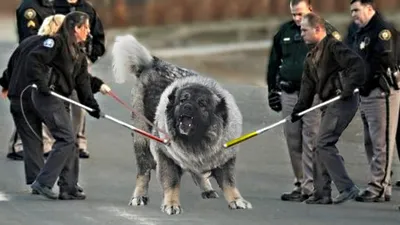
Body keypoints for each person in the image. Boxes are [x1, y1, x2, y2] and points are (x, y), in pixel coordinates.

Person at [5, 11, 102, 200]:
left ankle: (69, 187)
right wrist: (42, 85)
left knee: (70, 140)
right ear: (76, 28)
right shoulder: (54, 43)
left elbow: (83, 84)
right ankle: (43, 182)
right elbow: (35, 60)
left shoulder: (79, 53)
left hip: (61, 98)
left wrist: (92, 106)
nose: (89, 31)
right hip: (47, 96)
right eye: (86, 27)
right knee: (65, 138)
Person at [266, 0, 341, 202]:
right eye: (294, 15)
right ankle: (300, 184)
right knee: (293, 140)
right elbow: (274, 62)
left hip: (313, 94)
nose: (297, 19)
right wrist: (271, 89)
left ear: (310, 9)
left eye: (300, 14)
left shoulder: (322, 29)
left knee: (311, 140)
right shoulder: (284, 32)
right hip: (289, 93)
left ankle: (312, 186)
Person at [291, 12, 365, 204]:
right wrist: (298, 109)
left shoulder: (334, 47)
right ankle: (322, 193)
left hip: (343, 100)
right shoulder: (311, 56)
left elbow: (357, 65)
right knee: (317, 145)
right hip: (328, 104)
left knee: (324, 142)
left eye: (305, 30)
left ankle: (347, 187)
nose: (302, 34)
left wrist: (348, 87)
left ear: (318, 29)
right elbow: (307, 87)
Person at [346, 0, 400, 203]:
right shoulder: (358, 30)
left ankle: (379, 186)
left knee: (382, 142)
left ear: (370, 8)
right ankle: (379, 184)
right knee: (370, 140)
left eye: (356, 10)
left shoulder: (382, 30)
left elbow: (382, 61)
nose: (353, 15)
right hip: (365, 92)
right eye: (351, 11)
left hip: (380, 91)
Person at [53, 0, 106, 158]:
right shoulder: (53, 6)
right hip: (59, 59)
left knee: (80, 102)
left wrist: (90, 56)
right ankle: (54, 142)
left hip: (81, 60)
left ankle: (79, 141)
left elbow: (98, 36)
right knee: (57, 101)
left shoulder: (87, 8)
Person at [7, 0, 56, 161]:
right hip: (33, 59)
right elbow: (31, 37)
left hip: (45, 59)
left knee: (40, 103)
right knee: (26, 104)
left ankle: (43, 143)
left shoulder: (49, 5)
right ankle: (18, 145)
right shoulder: (30, 8)